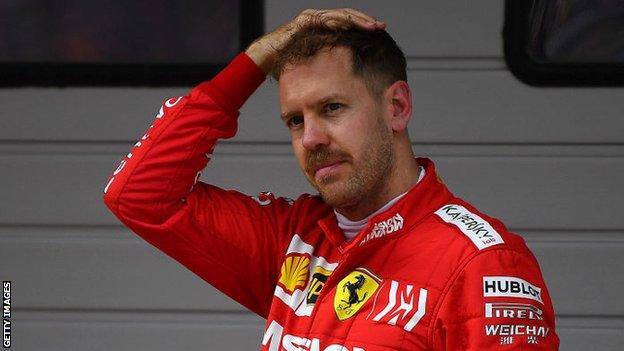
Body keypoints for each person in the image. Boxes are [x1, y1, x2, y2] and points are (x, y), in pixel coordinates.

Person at [103, 8, 559, 351]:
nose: (312, 138)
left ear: (396, 107)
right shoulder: (294, 238)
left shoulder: (482, 264)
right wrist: (255, 61)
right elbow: (140, 195)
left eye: (332, 108)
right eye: (295, 121)